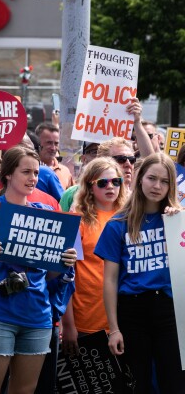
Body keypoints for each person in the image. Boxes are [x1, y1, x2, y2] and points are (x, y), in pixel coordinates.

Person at [0, 146, 77, 394]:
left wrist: (63, 263)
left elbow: (49, 276)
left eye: (36, 173)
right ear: (8, 175)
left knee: (25, 390)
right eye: (26, 172)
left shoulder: (47, 214)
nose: (33, 179)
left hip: (37, 315)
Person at [95, 153, 185, 393]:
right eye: (152, 178)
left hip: (170, 310)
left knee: (174, 382)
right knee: (138, 383)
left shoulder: (178, 220)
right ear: (139, 178)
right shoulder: (118, 224)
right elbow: (110, 280)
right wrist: (113, 329)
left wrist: (179, 224)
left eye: (164, 181)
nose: (157, 186)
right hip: (132, 312)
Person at [60, 158, 127, 357]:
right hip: (86, 322)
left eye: (116, 182)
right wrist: (68, 324)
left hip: (125, 319)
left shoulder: (128, 217)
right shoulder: (77, 221)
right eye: (102, 182)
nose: (110, 186)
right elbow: (65, 276)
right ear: (89, 186)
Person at [35, 122, 74, 189]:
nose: (53, 148)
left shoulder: (65, 171)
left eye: (56, 144)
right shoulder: (29, 170)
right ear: (37, 142)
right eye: (49, 143)